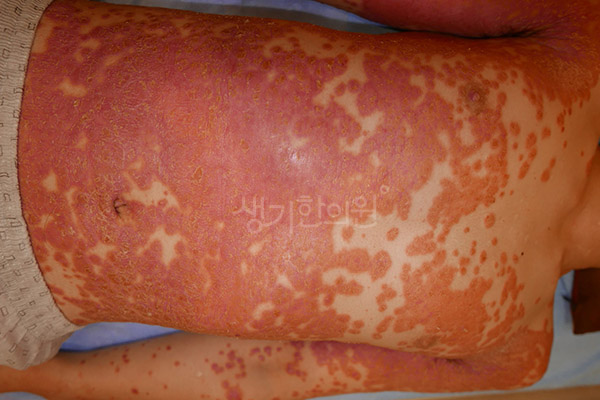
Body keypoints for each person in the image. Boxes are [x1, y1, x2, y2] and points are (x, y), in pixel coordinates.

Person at [0, 0, 599, 398]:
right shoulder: (583, 44)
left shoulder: (515, 354)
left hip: (18, 297)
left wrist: (46, 380)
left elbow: (268, 372)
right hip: (25, 63)